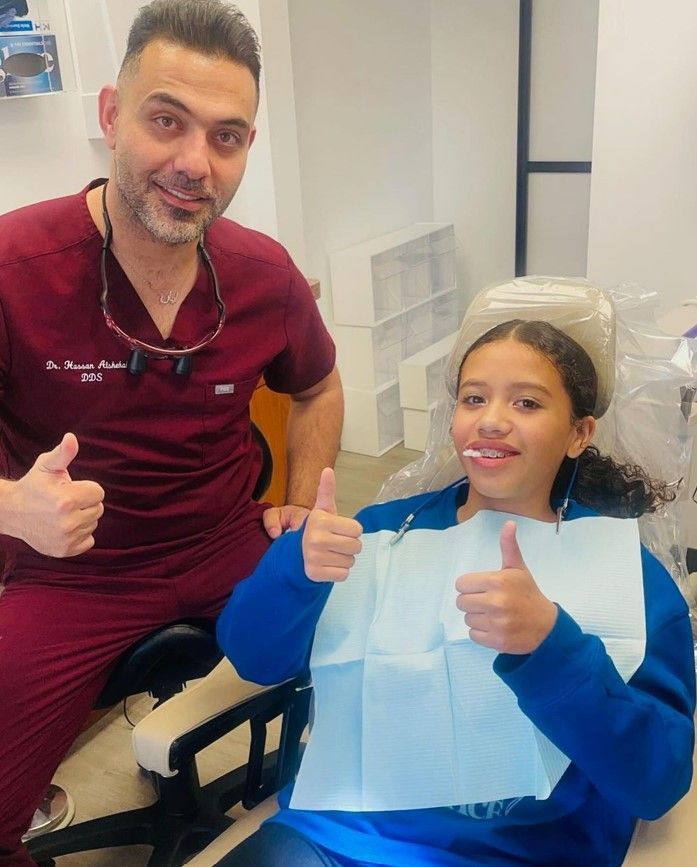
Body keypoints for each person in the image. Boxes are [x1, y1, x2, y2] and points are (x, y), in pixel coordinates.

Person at [0, 1, 342, 863]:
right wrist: (11, 508)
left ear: (247, 149)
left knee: (383, 669)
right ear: (111, 114)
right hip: (73, 573)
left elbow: (319, 384)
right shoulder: (15, 267)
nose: (194, 163)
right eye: (166, 121)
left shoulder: (263, 274)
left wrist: (301, 502)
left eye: (225, 136)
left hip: (229, 543)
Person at [216, 317, 695, 867]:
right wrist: (292, 571)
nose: (491, 421)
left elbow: (655, 784)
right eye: (474, 399)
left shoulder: (629, 578)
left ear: (578, 434)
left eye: (527, 404)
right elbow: (252, 658)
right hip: (334, 837)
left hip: (518, 851)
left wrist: (550, 647)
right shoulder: (379, 535)